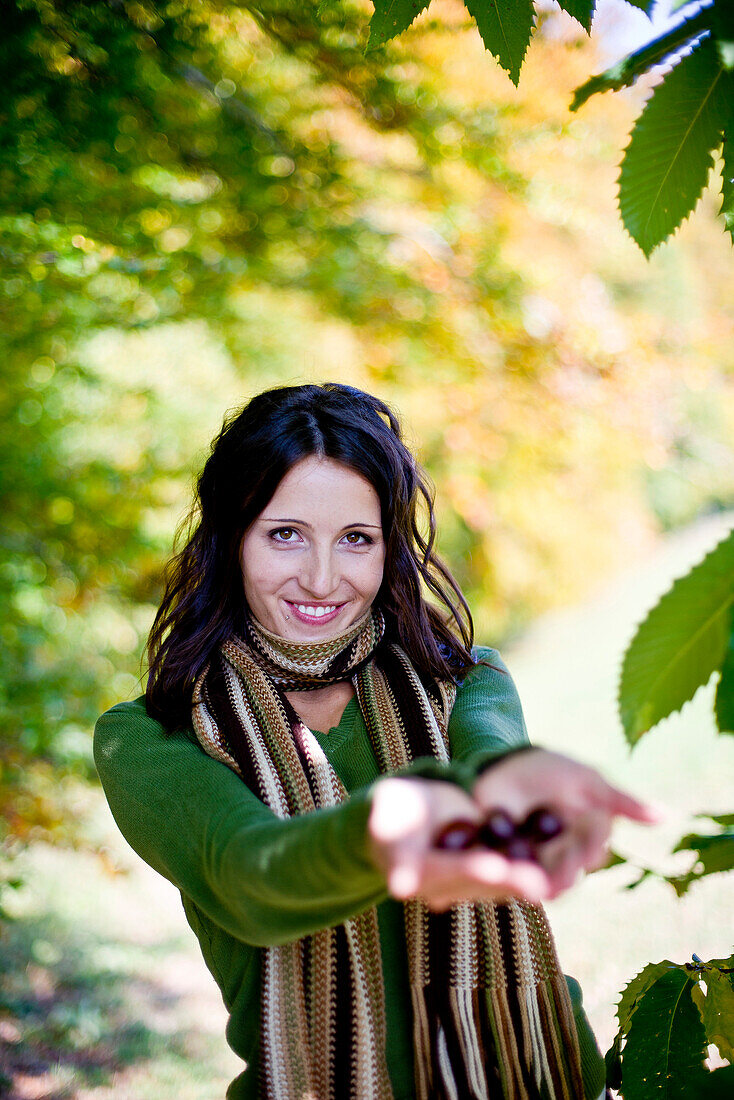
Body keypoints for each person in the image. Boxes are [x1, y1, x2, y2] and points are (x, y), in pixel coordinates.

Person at [94, 383, 654, 1100]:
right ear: (231, 536)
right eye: (285, 533)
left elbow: (490, 753)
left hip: (542, 1077)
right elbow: (256, 879)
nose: (322, 578)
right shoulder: (149, 736)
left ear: (389, 547)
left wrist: (506, 787)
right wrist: (402, 826)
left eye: (355, 539)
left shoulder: (463, 678)